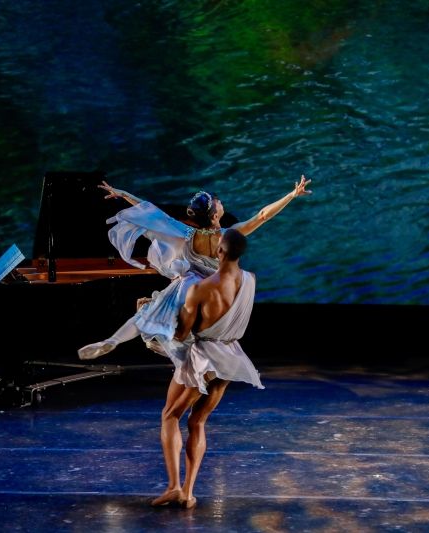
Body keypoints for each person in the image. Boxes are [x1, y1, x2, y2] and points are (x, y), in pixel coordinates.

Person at [78, 175, 311, 361]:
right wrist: (291, 194)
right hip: (214, 289)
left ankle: (113, 340)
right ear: (215, 213)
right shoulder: (226, 235)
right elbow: (262, 216)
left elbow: (150, 212)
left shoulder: (188, 233)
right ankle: (180, 348)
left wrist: (123, 194)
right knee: (191, 336)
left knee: (148, 314)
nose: (221, 202)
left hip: (187, 284)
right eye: (218, 202)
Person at [152, 229, 260, 509]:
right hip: (230, 359)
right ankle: (188, 493)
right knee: (197, 421)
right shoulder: (250, 280)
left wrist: (153, 313)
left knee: (170, 415)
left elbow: (181, 334)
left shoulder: (201, 289)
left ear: (219, 252)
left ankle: (175, 487)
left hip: (203, 360)